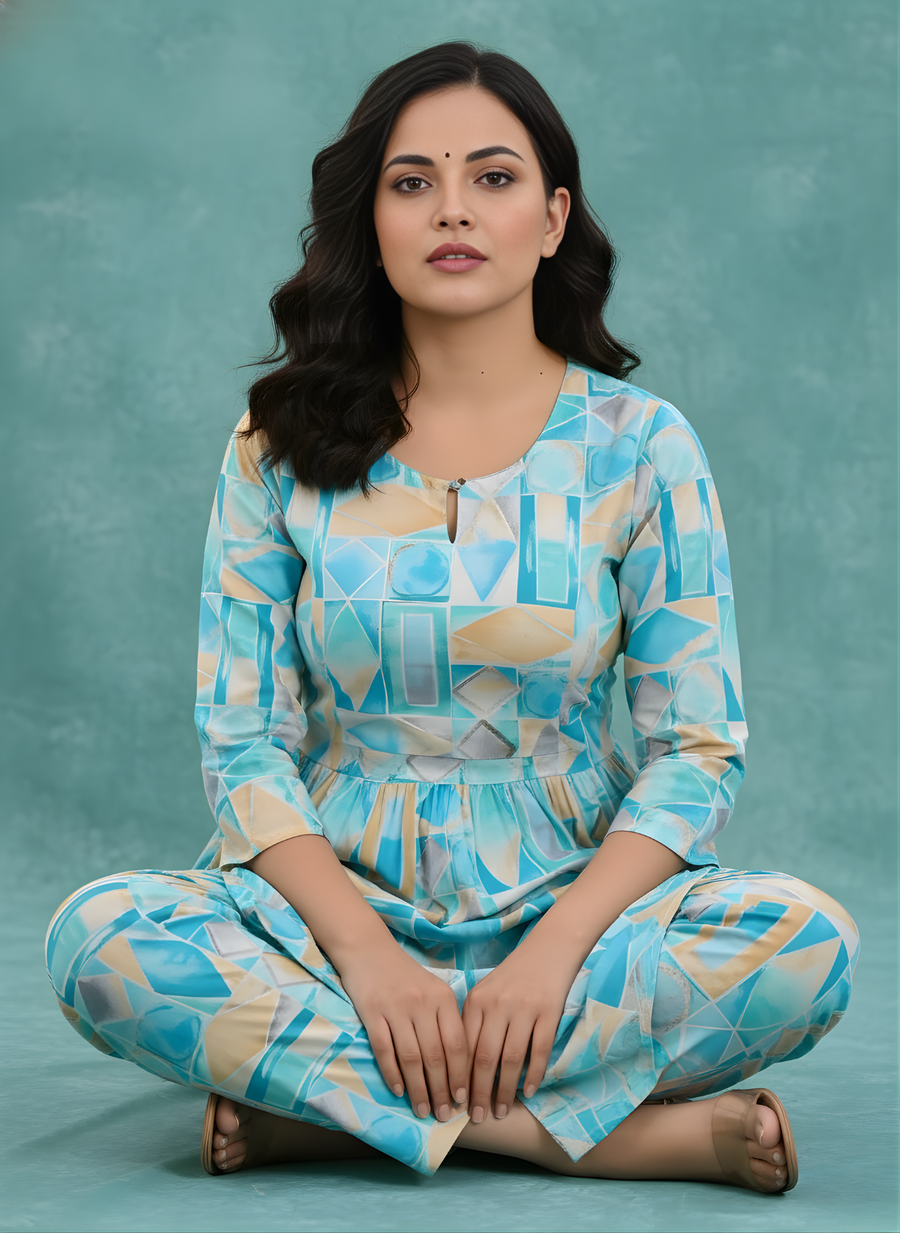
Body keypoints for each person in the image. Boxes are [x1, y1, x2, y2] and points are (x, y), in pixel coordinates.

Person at [45, 42, 858, 1192]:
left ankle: (332, 1114)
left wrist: (555, 953)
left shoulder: (644, 446)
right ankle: (588, 1136)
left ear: (553, 215)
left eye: (493, 177)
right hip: (338, 921)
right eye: (411, 182)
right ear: (368, 220)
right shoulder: (274, 445)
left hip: (578, 921)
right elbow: (242, 745)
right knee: (99, 940)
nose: (453, 211)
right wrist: (369, 958)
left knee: (808, 941)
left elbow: (696, 751)